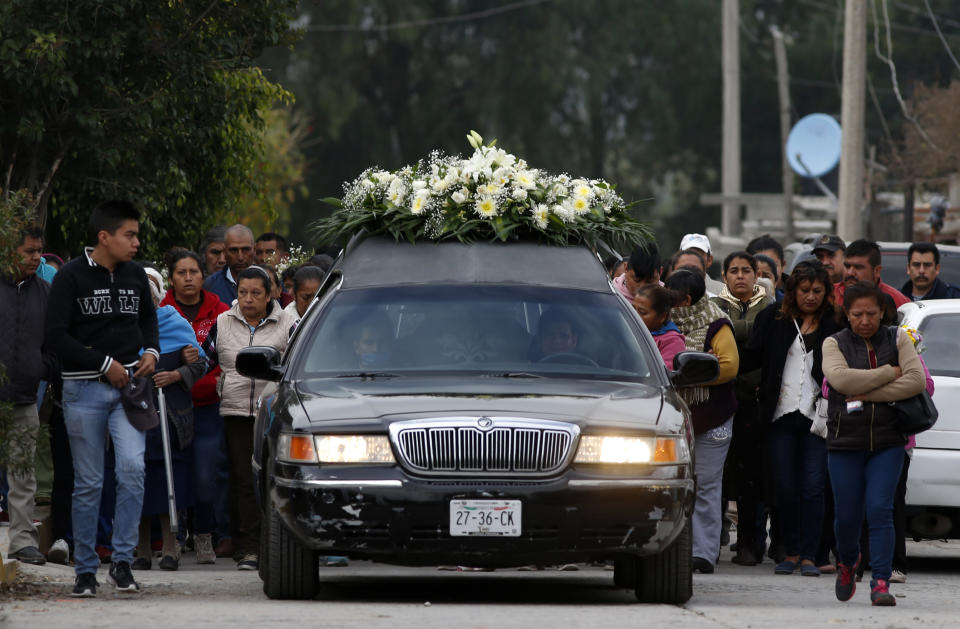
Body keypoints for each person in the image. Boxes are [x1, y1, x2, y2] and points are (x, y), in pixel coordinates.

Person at [44, 201, 159, 597]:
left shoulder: (135, 276)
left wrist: (151, 353)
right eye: (130, 234)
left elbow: (147, 320)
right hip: (82, 390)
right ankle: (86, 570)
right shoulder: (71, 277)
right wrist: (104, 362)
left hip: (129, 390)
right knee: (89, 483)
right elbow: (55, 336)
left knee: (132, 471)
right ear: (104, 236)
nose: (136, 242)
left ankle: (122, 564)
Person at [822, 281, 925, 606]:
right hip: (845, 442)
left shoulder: (898, 338)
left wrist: (866, 394)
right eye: (857, 314)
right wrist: (887, 373)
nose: (865, 320)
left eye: (871, 313)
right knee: (847, 515)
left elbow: (916, 380)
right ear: (846, 314)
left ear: (883, 312)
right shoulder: (833, 343)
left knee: (880, 509)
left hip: (888, 441)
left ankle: (881, 582)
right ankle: (847, 561)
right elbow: (840, 380)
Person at [742, 261, 841, 574]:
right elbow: (751, 355)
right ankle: (791, 551)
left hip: (818, 418)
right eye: (804, 290)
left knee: (813, 487)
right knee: (784, 487)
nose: (810, 296)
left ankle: (812, 554)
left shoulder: (835, 323)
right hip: (781, 415)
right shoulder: (774, 319)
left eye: (816, 291)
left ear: (826, 293)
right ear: (793, 291)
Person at [203, 265, 296, 570]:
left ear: (270, 294)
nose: (248, 299)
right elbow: (209, 358)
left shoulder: (289, 324)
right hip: (236, 412)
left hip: (274, 414)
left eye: (256, 293)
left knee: (275, 478)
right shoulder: (223, 322)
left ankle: (278, 544)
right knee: (244, 480)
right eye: (242, 292)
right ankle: (250, 548)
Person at [664, 269, 739, 574]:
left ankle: (703, 553)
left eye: (673, 298)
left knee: (706, 486)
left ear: (686, 300)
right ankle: (671, 548)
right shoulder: (661, 321)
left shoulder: (716, 322)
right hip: (674, 417)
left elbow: (729, 366)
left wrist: (689, 374)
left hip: (712, 417)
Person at [158, 248, 230, 565]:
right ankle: (173, 537)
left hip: (207, 406)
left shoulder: (221, 311)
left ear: (204, 276)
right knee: (172, 472)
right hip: (170, 409)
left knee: (204, 475)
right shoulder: (160, 313)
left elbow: (222, 359)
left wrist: (202, 374)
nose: (188, 278)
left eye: (194, 272)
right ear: (170, 279)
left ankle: (204, 535)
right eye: (181, 273)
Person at [135, 268, 205, 571]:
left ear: (159, 293)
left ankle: (171, 546)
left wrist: (177, 373)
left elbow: (200, 363)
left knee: (170, 479)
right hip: (136, 413)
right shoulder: (125, 326)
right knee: (137, 479)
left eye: (151, 291)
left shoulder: (175, 322)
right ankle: (141, 549)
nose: (146, 297)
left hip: (172, 416)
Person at [710, 251, 770, 566]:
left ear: (756, 274)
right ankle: (710, 544)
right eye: (734, 271)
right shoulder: (713, 306)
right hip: (721, 400)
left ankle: (751, 544)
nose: (740, 276)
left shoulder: (770, 308)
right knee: (717, 474)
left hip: (754, 402)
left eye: (747, 270)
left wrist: (731, 329)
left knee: (751, 479)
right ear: (724, 276)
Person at [1, 223, 54, 566]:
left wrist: (41, 367)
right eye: (30, 252)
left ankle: (22, 540)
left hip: (23, 395)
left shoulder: (47, 293)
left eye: (39, 251)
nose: (37, 258)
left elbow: (55, 343)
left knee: (23, 474)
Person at [833, 239, 909, 309]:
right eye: (847, 266)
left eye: (858, 267)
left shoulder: (899, 303)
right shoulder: (830, 295)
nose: (850, 273)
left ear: (877, 271)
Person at [633, 284, 685, 369]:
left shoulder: (673, 342)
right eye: (633, 309)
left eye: (642, 312)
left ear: (662, 316)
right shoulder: (627, 329)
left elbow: (665, 374)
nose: (635, 315)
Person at [202, 224, 255, 305]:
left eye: (245, 250)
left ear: (254, 250)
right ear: (225, 251)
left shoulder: (269, 282)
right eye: (234, 250)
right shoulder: (209, 285)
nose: (240, 257)